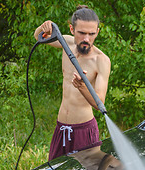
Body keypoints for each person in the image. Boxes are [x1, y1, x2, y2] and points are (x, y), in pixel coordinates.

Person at [34, 5, 111, 161]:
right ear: (71, 29)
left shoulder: (101, 60)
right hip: (61, 128)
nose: (86, 39)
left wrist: (82, 87)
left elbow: (100, 103)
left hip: (84, 131)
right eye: (81, 33)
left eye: (91, 34)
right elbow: (39, 37)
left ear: (97, 32)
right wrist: (44, 26)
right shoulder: (66, 43)